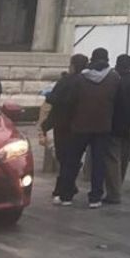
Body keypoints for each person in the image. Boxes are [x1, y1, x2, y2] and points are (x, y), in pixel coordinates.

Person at [58, 46, 120, 209]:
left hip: (80, 125)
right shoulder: (114, 78)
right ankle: (95, 197)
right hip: (103, 126)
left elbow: (71, 102)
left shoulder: (80, 79)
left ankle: (66, 195)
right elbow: (117, 102)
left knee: (72, 161)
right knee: (99, 162)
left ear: (92, 60)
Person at [41, 53, 88, 204]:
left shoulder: (66, 80)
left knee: (64, 158)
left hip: (62, 124)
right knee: (72, 159)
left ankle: (64, 190)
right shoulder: (86, 82)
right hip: (79, 125)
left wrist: (48, 96)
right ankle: (66, 187)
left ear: (73, 65)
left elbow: (55, 99)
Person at [104, 54, 130, 206]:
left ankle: (114, 193)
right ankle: (117, 187)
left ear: (117, 66)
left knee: (113, 159)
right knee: (124, 159)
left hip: (115, 125)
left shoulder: (115, 82)